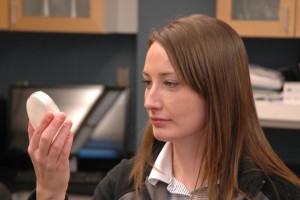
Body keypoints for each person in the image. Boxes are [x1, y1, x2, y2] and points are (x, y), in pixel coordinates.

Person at [27, 14, 300, 200]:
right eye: (148, 82)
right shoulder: (120, 185)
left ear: (219, 91)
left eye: (170, 83)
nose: (150, 101)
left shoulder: (279, 192)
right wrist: (49, 191)